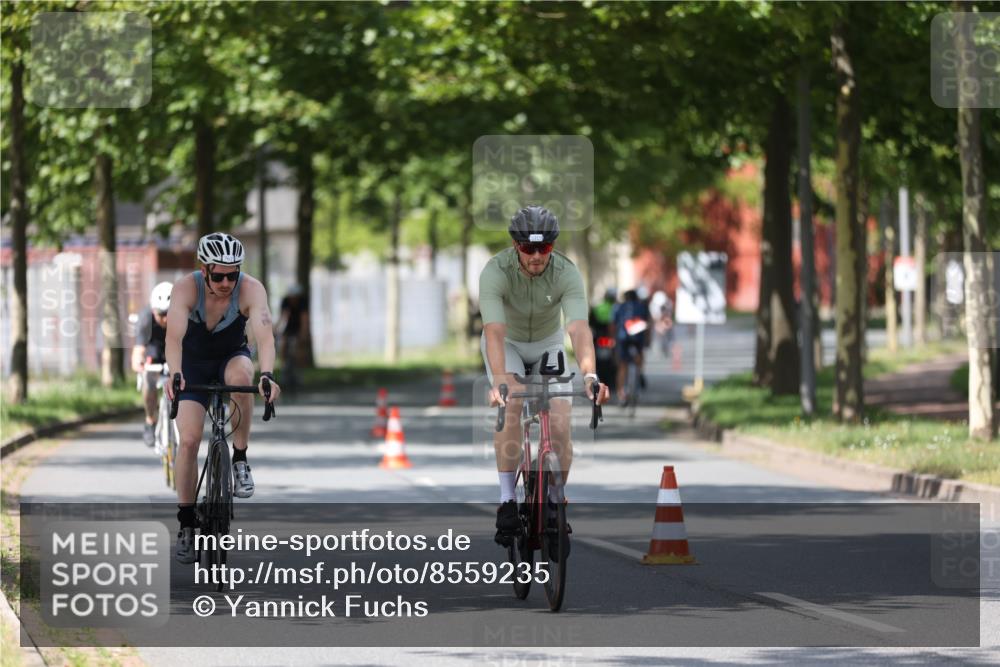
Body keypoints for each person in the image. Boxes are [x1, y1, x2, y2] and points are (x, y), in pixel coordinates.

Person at [479, 205, 610, 546]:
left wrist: (590, 375)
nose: (536, 256)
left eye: (544, 247)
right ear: (515, 245)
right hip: (507, 343)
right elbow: (494, 331)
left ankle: (553, 501)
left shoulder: (567, 272)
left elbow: (578, 329)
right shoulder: (495, 271)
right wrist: (500, 380)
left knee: (562, 419)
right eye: (528, 248)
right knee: (510, 401)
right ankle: (508, 500)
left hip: (548, 343)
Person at [165, 232, 281, 563]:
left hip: (231, 355)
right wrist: (175, 374)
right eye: (219, 276)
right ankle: (187, 523)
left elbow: (265, 339)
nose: (227, 283)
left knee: (243, 378)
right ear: (204, 270)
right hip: (193, 363)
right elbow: (173, 339)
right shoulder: (186, 289)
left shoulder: (251, 289)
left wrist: (268, 375)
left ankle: (240, 459)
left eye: (233, 274)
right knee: (189, 441)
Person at [131, 281, 172, 447]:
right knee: (149, 380)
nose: (166, 319)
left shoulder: (186, 315)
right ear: (153, 310)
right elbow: (138, 351)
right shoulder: (145, 318)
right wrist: (139, 364)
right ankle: (150, 421)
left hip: (176, 349)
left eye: (169, 313)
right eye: (161, 314)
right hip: (154, 350)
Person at [612, 288, 651, 401]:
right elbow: (648, 323)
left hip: (623, 337)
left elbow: (612, 324)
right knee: (638, 359)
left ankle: (620, 393)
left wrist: (613, 338)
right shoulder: (642, 306)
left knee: (622, 366)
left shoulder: (618, 307)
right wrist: (647, 339)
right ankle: (637, 381)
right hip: (638, 338)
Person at [276, 284, 309, 392]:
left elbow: (304, 319)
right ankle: (284, 370)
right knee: (283, 345)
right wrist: (277, 329)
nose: (293, 299)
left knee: (298, 350)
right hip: (288, 328)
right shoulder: (285, 301)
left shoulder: (302, 302)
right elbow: (283, 316)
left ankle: (299, 375)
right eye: (291, 297)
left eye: (295, 297)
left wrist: (303, 335)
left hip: (298, 327)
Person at [649, 289, 675, 359]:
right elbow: (655, 317)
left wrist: (666, 322)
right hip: (658, 321)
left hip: (666, 320)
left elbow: (669, 315)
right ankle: (658, 348)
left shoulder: (669, 303)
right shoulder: (653, 305)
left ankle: (667, 348)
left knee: (669, 335)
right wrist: (659, 323)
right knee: (658, 334)